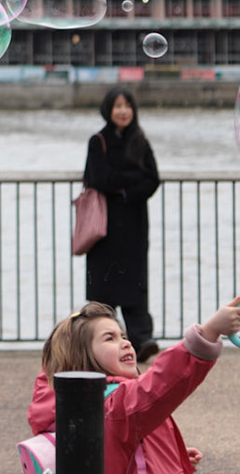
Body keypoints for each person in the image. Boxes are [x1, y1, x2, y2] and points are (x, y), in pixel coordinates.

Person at [27, 299, 240, 473]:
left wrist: (166, 455)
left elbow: (116, 450)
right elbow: (161, 382)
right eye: (109, 338)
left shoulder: (75, 407)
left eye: (123, 336)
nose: (125, 342)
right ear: (82, 357)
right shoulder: (113, 406)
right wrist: (208, 333)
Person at [84, 86, 162, 358]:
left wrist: (125, 189)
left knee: (135, 285)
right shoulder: (99, 141)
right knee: (104, 289)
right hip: (104, 230)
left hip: (134, 226)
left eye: (127, 105)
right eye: (117, 106)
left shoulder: (140, 140)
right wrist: (131, 181)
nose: (123, 111)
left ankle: (141, 341)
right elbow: (99, 179)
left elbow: (152, 179)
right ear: (108, 109)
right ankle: (102, 344)